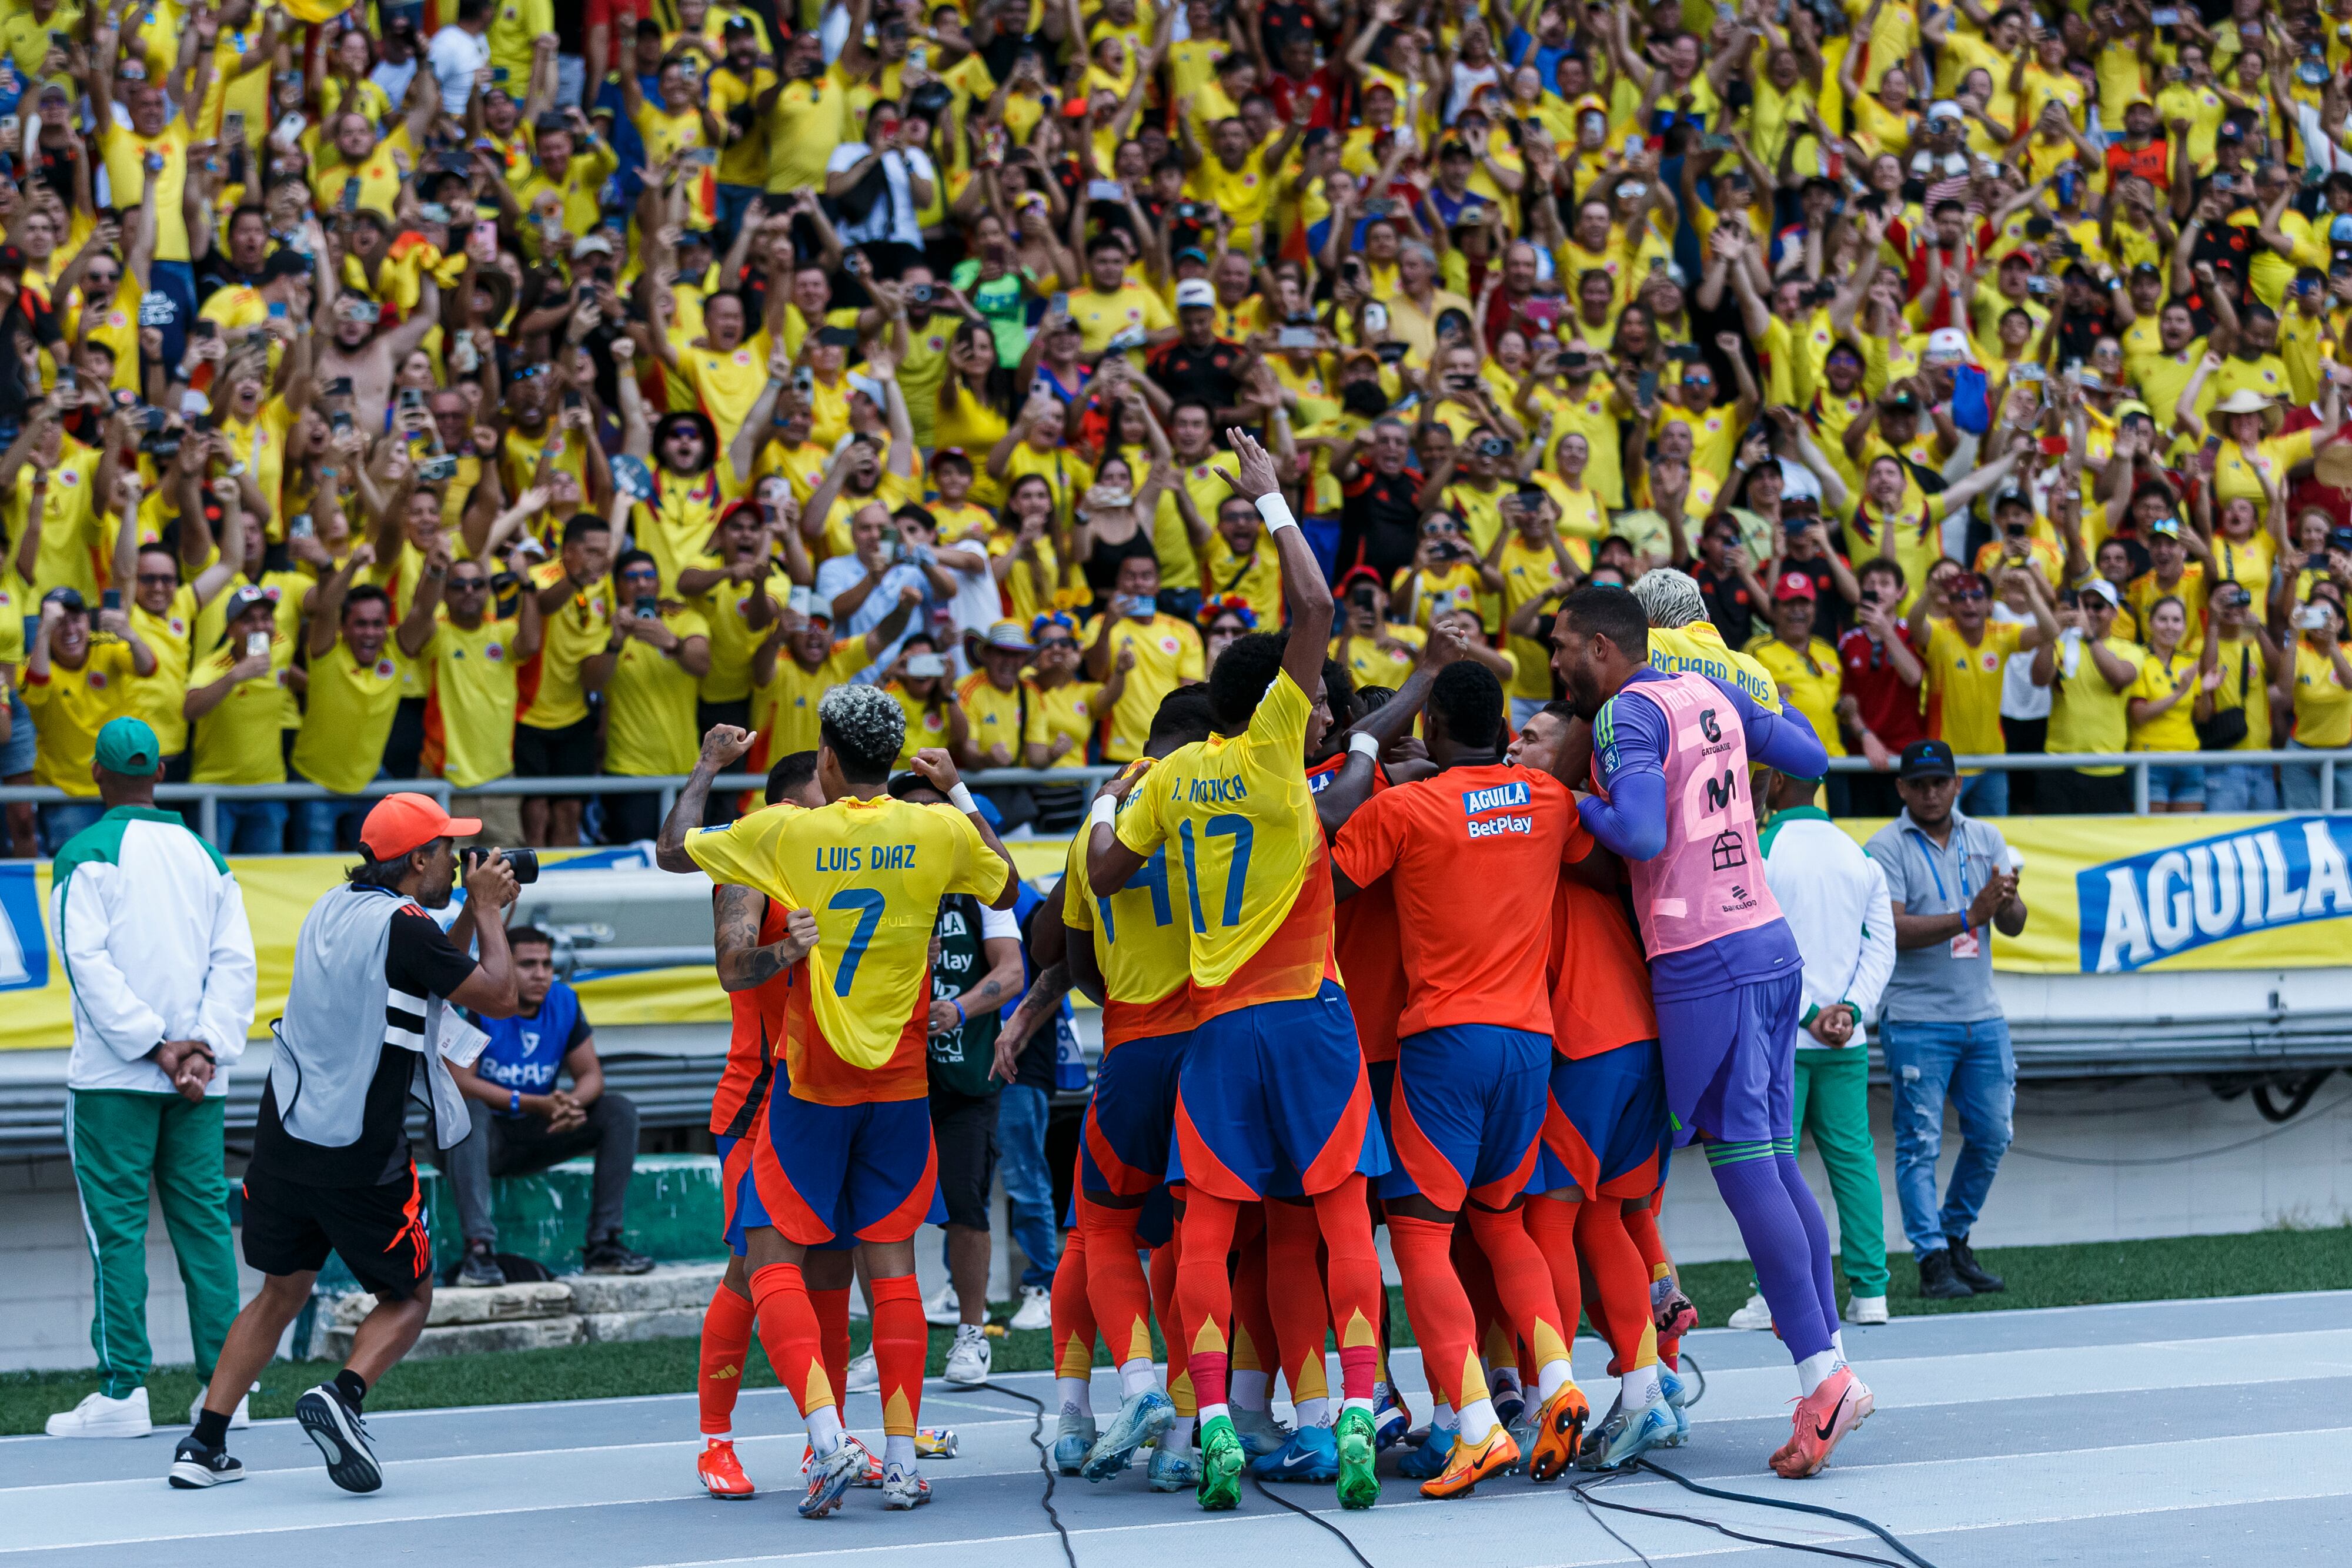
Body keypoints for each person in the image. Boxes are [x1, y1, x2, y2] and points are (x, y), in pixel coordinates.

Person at [1086, 430, 1388, 1513]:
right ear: (1278, 706)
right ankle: (1353, 1405)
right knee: (1341, 1219)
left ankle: (1210, 1418)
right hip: (1308, 1016)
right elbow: (1316, 612)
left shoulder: (1169, 779)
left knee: (1205, 1233)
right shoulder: (1274, 754)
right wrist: (1270, 503)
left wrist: (1111, 801)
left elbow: (1111, 867)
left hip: (1213, 1029)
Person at [655, 690, 1020, 1518]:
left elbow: (672, 848)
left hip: (814, 1084)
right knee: (840, 1266)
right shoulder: (919, 831)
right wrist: (960, 792)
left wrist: (710, 761)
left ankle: (830, 1439)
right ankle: (840, 1449)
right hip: (842, 1085)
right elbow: (1004, 879)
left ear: (828, 760)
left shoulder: (789, 839)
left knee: (791, 1258)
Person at [1550, 582, 1869, 1480]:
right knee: (1768, 1159)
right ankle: (1828, 1361)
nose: (1560, 664)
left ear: (1609, 649)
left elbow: (1642, 834)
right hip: (1768, 940)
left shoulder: (1627, 714)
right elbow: (1809, 753)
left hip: (1702, 953)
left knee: (1722, 1167)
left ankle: (1815, 1374)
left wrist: (1571, 802)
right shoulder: (1713, 691)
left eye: (1566, 647)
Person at [172, 794, 522, 1494]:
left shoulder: (333, 909)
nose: (458, 860)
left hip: (284, 1138)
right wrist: (487, 914)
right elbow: (501, 997)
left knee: (280, 1291)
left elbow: (425, 968)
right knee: (410, 1296)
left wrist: (462, 916)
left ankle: (202, 1444)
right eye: (449, 850)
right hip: (362, 1150)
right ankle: (345, 1395)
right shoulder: (407, 925)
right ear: (420, 858)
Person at [1328, 658, 1598, 1497]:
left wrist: (1372, 750)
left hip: (1446, 1039)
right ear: (1500, 726)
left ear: (1434, 728)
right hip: (1531, 1040)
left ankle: (1477, 1424)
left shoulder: (1407, 808)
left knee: (1417, 1229)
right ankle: (1557, 1381)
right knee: (1502, 1219)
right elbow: (1585, 846)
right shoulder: (1550, 801)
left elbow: (1325, 873)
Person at [44, 719, 258, 1440]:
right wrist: (204, 1050)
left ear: (96, 773)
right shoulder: (206, 854)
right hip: (201, 1081)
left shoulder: (85, 853)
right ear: (161, 769)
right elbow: (236, 964)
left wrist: (156, 1046)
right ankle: (229, 1390)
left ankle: (123, 1393)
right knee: (204, 1231)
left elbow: (88, 967)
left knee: (118, 1234)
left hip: (115, 1079)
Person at [1053, 687, 1215, 1490]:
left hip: (1128, 1043)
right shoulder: (1205, 792)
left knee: (1104, 1225)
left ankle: (1136, 1384)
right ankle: (1188, 1432)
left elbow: (1074, 960)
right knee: (1194, 1239)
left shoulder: (1102, 811)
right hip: (1207, 1042)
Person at [1726, 767, 1897, 1332]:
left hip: (1780, 1038)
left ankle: (1770, 1296)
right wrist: (1849, 1012)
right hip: (1846, 1037)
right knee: (1853, 1162)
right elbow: (1882, 950)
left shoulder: (1763, 848)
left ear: (1774, 784)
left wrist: (1805, 1015)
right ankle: (1871, 1294)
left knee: (1771, 1168)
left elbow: (1751, 944)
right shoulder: (1859, 855)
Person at [1865, 740, 2028, 1304]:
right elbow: (1892, 929)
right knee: (1919, 1143)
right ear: (1902, 789)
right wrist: (1970, 913)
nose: (1932, 792)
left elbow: (2013, 925)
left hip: (1981, 1013)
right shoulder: (1884, 847)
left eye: (1942, 782)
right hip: (1915, 1016)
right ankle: (1932, 1257)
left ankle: (1954, 1237)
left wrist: (2006, 902)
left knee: (1994, 1132)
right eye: (1921, 783)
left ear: (1958, 784)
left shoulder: (1986, 837)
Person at [894, 768, 1027, 1387]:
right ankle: (889, 1339)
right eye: (914, 810)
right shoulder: (884, 874)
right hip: (889, 1068)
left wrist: (957, 1008)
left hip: (964, 1069)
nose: (929, 820)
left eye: (938, 808)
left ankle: (971, 1335)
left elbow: (1012, 970)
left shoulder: (977, 882)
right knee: (881, 1210)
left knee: (966, 1204)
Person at [443, 925, 654, 1283]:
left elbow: (591, 1076)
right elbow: (461, 1082)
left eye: (547, 964)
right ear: (503, 965)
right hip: (483, 1139)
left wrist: (568, 1105)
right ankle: (478, 1251)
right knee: (469, 1110)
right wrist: (532, 1102)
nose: (541, 974)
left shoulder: (563, 1000)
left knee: (617, 1110)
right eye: (528, 965)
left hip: (540, 1126)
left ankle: (604, 1245)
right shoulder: (476, 1002)